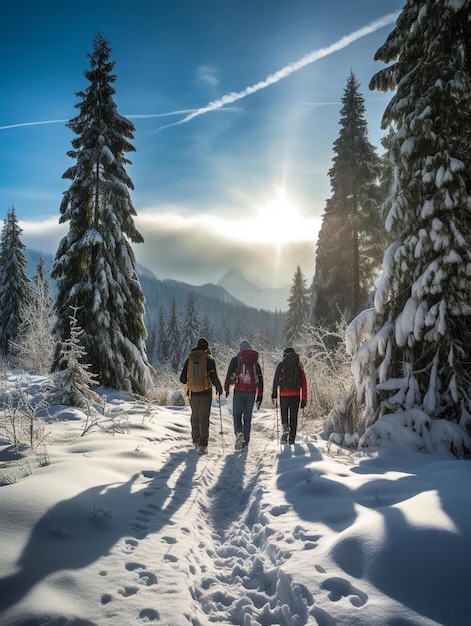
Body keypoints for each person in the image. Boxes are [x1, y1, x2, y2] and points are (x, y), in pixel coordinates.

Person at [180, 337, 223, 455]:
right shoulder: (209, 359)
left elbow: (182, 379)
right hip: (205, 393)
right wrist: (219, 388)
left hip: (192, 394)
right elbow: (213, 377)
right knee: (204, 418)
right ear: (207, 348)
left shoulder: (190, 359)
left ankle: (195, 440)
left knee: (195, 416)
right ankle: (203, 445)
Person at [224, 339, 263, 450]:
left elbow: (229, 376)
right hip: (251, 393)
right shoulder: (255, 362)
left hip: (239, 392)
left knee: (237, 415)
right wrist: (260, 395)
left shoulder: (236, 359)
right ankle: (245, 443)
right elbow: (260, 380)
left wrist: (226, 388)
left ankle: (238, 433)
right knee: (247, 419)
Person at [272, 347, 307, 445]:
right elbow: (304, 383)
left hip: (283, 393)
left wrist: (274, 393)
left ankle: (285, 431)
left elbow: (275, 379)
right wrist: (304, 399)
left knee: (284, 413)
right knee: (293, 416)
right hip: (296, 394)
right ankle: (292, 439)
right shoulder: (299, 365)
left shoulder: (281, 364)